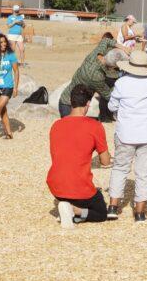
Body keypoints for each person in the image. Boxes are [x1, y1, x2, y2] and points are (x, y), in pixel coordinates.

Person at [106, 50, 147, 223]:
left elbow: (111, 106)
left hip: (126, 132)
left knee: (119, 168)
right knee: (144, 173)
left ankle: (113, 207)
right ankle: (140, 212)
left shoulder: (121, 83)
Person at [48, 84, 113, 228]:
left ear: (71, 102)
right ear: (88, 104)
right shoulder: (94, 126)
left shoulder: (56, 125)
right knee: (101, 212)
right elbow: (105, 161)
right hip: (79, 187)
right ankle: (74, 210)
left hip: (56, 186)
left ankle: (67, 206)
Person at [58, 42, 123, 118]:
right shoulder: (97, 76)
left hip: (68, 101)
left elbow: (105, 41)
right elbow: (108, 95)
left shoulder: (93, 56)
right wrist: (120, 81)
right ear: (112, 66)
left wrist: (123, 47)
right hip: (71, 106)